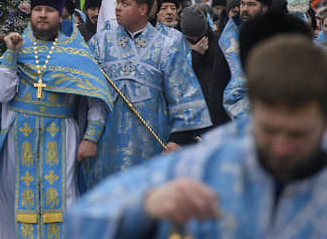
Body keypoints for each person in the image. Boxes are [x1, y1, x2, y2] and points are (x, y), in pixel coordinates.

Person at [66, 35, 327, 238]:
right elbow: (82, 220)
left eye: (298, 134)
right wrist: (146, 206)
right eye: (268, 130)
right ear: (252, 113)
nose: (281, 147)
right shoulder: (208, 164)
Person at [0, 0, 112, 239]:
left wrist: (91, 137)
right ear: (31, 13)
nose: (43, 14)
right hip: (18, 136)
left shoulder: (77, 51)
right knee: (15, 201)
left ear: (61, 14)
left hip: (62, 137)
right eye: (38, 9)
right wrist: (11, 54)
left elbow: (96, 98)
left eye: (49, 10)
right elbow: (0, 93)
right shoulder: (17, 47)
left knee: (63, 202)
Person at [86, 0, 211, 187]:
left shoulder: (169, 44)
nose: (117, 8)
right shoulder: (100, 42)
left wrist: (176, 141)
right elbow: (89, 93)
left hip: (153, 144)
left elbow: (184, 96)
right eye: (117, 2)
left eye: (125, 4)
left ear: (143, 9)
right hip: (106, 147)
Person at [220, 0, 275, 120]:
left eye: (251, 4)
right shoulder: (227, 40)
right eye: (242, 4)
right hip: (232, 123)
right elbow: (217, 88)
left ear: (265, 8)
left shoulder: (277, 38)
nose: (244, 9)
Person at [179, 7, 231, 129]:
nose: (196, 41)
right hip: (192, 112)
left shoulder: (219, 41)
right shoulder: (176, 44)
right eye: (190, 39)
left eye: (199, 37)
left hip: (218, 111)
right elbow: (181, 78)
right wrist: (194, 55)